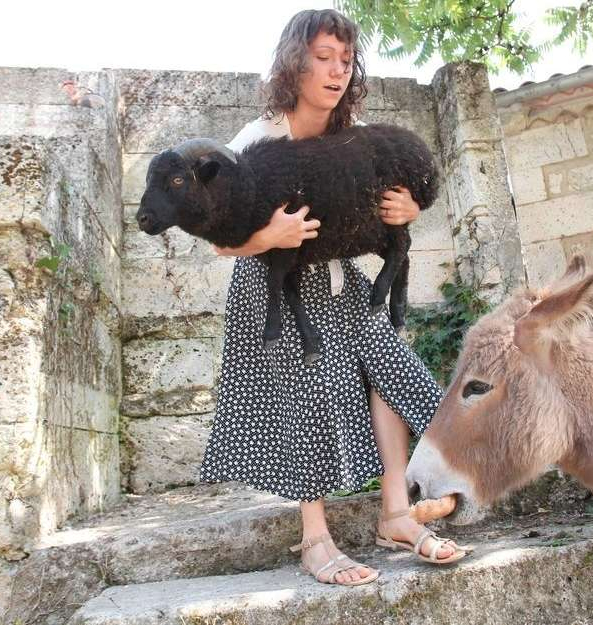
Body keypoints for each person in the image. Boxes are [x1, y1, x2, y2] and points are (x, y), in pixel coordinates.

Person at [199, 8, 466, 587]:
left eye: (345, 61)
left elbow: (392, 197)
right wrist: (268, 235)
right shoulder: (258, 137)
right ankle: (315, 539)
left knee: (384, 367)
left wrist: (409, 209)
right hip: (271, 284)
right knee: (301, 394)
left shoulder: (353, 137)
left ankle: (396, 511)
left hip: (339, 276)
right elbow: (218, 237)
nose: (336, 71)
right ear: (295, 63)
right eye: (323, 58)